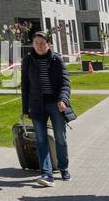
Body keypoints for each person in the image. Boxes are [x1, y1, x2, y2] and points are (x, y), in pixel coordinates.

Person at [21, 30, 72, 187]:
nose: (39, 46)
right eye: (36, 43)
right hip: (37, 105)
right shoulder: (28, 60)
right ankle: (46, 173)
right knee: (41, 140)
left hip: (55, 104)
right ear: (32, 44)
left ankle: (63, 168)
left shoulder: (57, 60)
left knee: (60, 138)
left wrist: (63, 99)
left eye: (42, 43)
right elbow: (25, 85)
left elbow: (65, 82)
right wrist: (25, 108)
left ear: (48, 44)